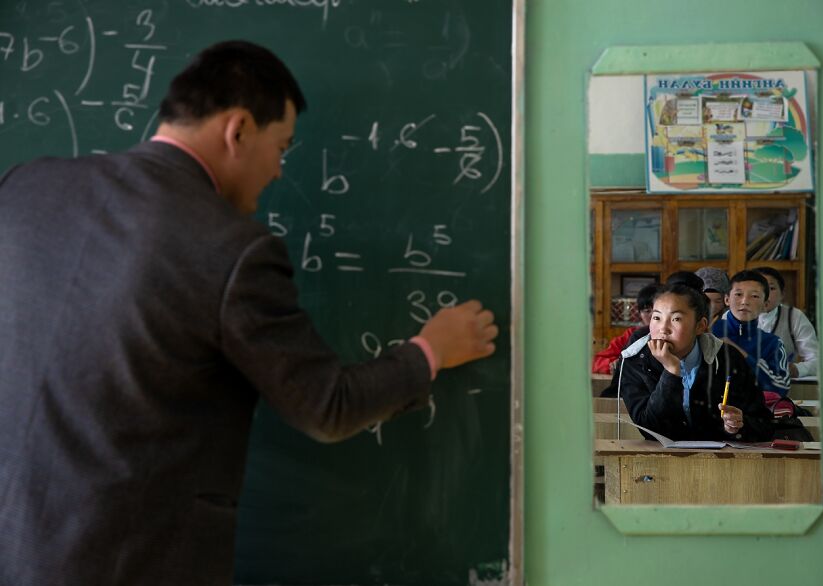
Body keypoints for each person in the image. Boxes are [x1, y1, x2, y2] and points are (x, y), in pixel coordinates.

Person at [0, 41, 498, 585]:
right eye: (281, 147)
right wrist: (431, 351)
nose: (281, 171)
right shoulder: (231, 251)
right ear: (237, 130)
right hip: (128, 564)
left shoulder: (26, 187)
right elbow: (326, 406)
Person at [617, 284, 773, 442]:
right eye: (657, 318)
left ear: (700, 326)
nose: (663, 329)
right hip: (658, 460)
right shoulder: (635, 360)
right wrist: (671, 371)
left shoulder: (726, 358)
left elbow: (764, 424)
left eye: (676, 319)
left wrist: (739, 425)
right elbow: (649, 428)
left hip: (721, 460)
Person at [711, 270, 790, 396]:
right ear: (727, 299)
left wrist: (742, 354)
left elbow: (781, 388)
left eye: (754, 296)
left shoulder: (772, 343)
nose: (745, 301)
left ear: (765, 305)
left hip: (752, 413)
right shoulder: (710, 333)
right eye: (738, 294)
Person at [755, 266, 819, 378]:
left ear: (782, 294)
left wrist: (796, 369)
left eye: (771, 288)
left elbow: (816, 360)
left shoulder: (794, 316)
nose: (764, 294)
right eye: (757, 288)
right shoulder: (733, 317)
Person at [592, 283, 657, 375]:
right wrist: (613, 365)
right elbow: (596, 362)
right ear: (639, 314)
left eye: (657, 311)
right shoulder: (633, 334)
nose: (653, 315)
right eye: (647, 311)